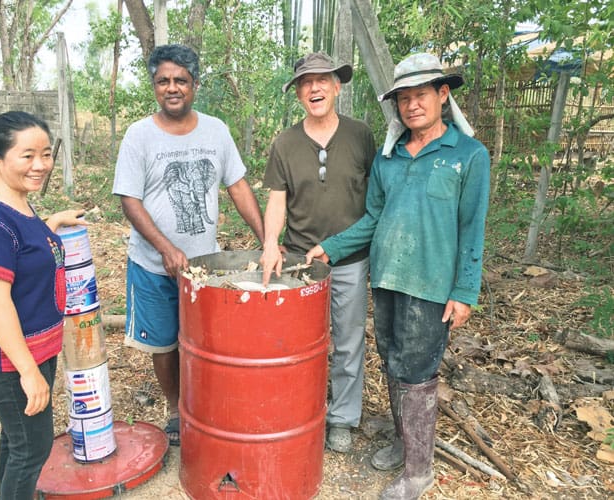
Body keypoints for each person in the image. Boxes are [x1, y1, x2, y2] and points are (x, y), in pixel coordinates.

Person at [306, 52, 490, 499]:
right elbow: (372, 219)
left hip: (430, 284)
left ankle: (419, 471)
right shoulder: (388, 158)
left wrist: (464, 290)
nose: (412, 106)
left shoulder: (467, 155)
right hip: (387, 277)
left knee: (418, 371)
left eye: (421, 95)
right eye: (403, 99)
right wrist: (329, 248)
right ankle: (403, 440)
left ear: (443, 95)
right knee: (392, 361)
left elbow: (472, 226)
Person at [112, 44, 265, 446]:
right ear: (154, 87)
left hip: (205, 267)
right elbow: (130, 199)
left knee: (205, 341)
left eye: (180, 80)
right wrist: (164, 246)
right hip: (151, 264)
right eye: (163, 81)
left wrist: (268, 239)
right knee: (164, 342)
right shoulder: (139, 136)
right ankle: (176, 408)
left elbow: (238, 186)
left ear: (195, 84)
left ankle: (206, 402)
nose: (172, 88)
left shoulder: (215, 130)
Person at [0, 111, 85, 499]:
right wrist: (28, 372)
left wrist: (52, 223)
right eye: (27, 156)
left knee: (17, 441)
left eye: (45, 154)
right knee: (32, 449)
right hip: (10, 358)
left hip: (33, 348)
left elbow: (21, 250)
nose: (40, 165)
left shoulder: (16, 205)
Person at [260, 52, 376, 453]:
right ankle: (297, 413)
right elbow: (278, 199)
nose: (314, 88)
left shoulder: (361, 135)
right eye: (305, 83)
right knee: (296, 344)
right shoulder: (286, 143)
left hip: (350, 262)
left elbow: (375, 199)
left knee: (347, 342)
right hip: (299, 261)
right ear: (297, 93)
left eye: (322, 80)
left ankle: (342, 418)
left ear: (337, 86)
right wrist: (271, 244)